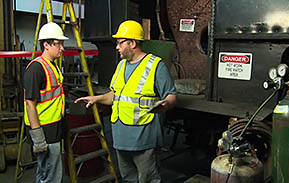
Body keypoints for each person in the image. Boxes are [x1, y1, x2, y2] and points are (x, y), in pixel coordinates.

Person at [74, 20, 177, 183]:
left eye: (120, 43)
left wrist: (165, 104)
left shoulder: (156, 66)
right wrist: (97, 98)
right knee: (128, 179)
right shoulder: (121, 65)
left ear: (133, 43)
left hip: (144, 139)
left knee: (147, 179)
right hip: (121, 138)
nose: (117, 47)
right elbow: (116, 95)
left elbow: (171, 96)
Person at [23, 22, 68, 183]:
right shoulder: (36, 69)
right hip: (44, 131)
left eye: (62, 43)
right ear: (46, 45)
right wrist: (38, 138)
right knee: (52, 176)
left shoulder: (52, 66)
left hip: (54, 127)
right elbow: (30, 103)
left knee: (45, 172)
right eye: (58, 44)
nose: (62, 48)